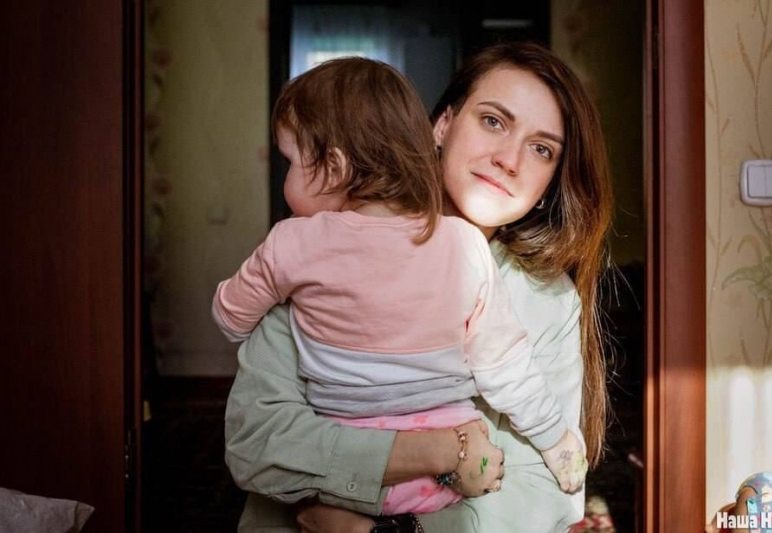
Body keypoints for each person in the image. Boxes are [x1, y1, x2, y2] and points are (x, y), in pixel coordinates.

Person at [225, 41, 613, 533]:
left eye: (541, 149)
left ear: (549, 184)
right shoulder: (326, 246)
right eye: (493, 121)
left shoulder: (549, 300)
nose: (509, 159)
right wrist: (438, 450)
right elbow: (258, 446)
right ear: (442, 125)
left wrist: (372, 530)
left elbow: (542, 495)